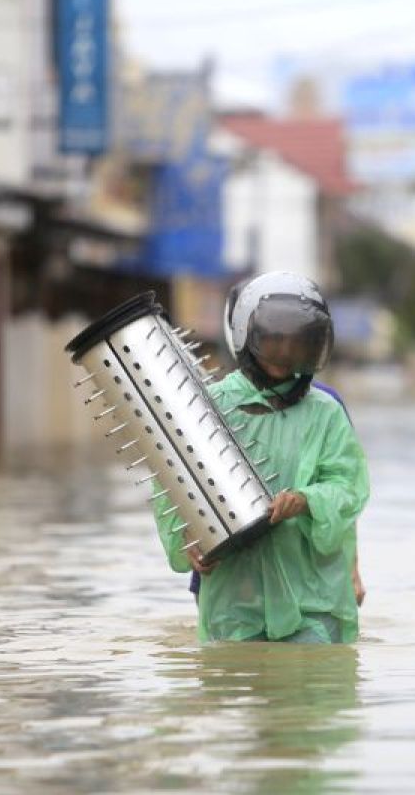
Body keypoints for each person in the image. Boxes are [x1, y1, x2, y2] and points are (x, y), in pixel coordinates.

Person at [152, 272, 370, 643]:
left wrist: (306, 501)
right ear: (247, 338)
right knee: (233, 692)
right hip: (233, 595)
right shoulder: (206, 407)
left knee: (312, 693)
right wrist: (189, 542)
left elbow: (347, 488)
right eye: (274, 342)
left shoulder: (326, 410)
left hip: (312, 595)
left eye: (297, 344)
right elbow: (172, 489)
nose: (285, 356)